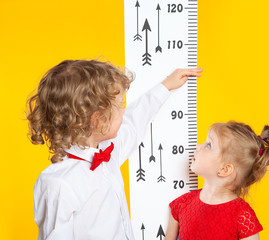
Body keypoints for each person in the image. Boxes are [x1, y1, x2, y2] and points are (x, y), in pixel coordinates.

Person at [26, 59, 202, 239]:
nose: (124, 111)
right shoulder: (58, 184)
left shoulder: (108, 150)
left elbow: (135, 120)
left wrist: (165, 86)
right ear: (97, 120)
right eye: (119, 106)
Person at [165, 121, 269, 240]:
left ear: (225, 169)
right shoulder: (181, 204)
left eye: (209, 145)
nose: (197, 146)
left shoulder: (242, 216)